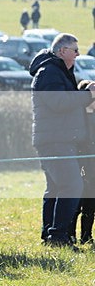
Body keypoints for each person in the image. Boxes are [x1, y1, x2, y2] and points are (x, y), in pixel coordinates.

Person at [29, 34, 95, 247]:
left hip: (57, 138)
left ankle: (50, 235)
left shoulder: (58, 71)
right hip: (55, 140)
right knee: (72, 185)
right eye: (75, 50)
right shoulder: (49, 72)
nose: (78, 54)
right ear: (61, 51)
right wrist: (87, 95)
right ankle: (58, 236)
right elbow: (57, 102)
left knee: (56, 187)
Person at [71, 80, 95, 244]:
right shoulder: (77, 119)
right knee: (76, 202)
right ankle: (70, 234)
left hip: (92, 167)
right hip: (80, 163)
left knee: (91, 203)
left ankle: (86, 235)